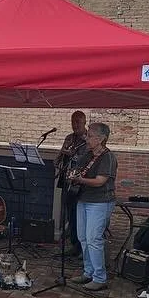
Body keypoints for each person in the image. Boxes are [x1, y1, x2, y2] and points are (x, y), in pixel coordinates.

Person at [68, 122, 118, 292]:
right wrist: (72, 174)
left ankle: (99, 277)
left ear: (101, 139)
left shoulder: (108, 157)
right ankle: (88, 272)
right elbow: (77, 169)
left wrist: (80, 180)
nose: (86, 138)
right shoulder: (87, 154)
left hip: (100, 202)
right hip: (84, 199)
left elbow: (100, 181)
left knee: (94, 239)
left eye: (90, 136)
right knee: (83, 237)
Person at [55, 110, 89, 258]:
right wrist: (61, 155)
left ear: (84, 122)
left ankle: (82, 248)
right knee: (69, 214)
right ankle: (73, 245)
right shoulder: (69, 138)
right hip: (67, 181)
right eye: (73, 122)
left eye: (78, 122)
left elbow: (87, 160)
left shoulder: (88, 139)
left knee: (79, 216)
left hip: (81, 184)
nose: (74, 125)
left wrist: (73, 155)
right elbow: (60, 157)